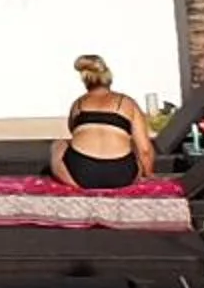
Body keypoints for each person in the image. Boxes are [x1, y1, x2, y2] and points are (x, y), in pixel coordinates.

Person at [50, 52, 154, 190]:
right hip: (122, 175)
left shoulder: (78, 104)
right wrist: (148, 174)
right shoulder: (127, 103)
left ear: (85, 80)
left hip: (81, 174)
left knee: (59, 144)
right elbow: (145, 150)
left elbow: (73, 132)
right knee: (135, 143)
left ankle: (74, 184)